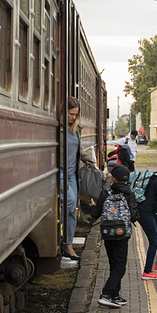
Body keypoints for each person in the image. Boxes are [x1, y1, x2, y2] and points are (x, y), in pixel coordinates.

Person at [90, 164, 139, 308]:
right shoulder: (130, 194)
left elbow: (95, 214)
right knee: (120, 267)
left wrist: (93, 205)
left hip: (107, 234)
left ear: (113, 178)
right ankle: (106, 294)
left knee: (114, 264)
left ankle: (114, 295)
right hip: (122, 235)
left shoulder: (106, 193)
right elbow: (135, 217)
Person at [59, 96, 95, 261]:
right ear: (63, 112)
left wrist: (87, 158)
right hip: (61, 173)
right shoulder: (57, 129)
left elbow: (78, 149)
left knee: (72, 209)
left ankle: (68, 245)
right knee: (70, 202)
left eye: (75, 115)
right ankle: (62, 240)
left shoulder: (76, 129)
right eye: (71, 114)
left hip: (73, 175)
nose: (73, 118)